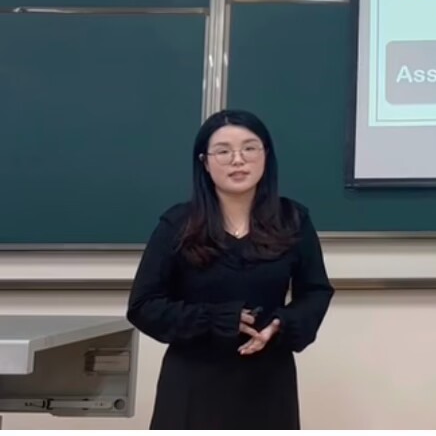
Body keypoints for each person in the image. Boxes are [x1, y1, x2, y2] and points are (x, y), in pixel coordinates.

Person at [127, 109, 334, 429]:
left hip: (268, 382)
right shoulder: (178, 224)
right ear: (204, 162)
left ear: (266, 156)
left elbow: (316, 292)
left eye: (249, 148)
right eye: (223, 151)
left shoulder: (293, 219)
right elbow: (144, 305)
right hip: (192, 384)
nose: (238, 160)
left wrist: (280, 324)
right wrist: (214, 319)